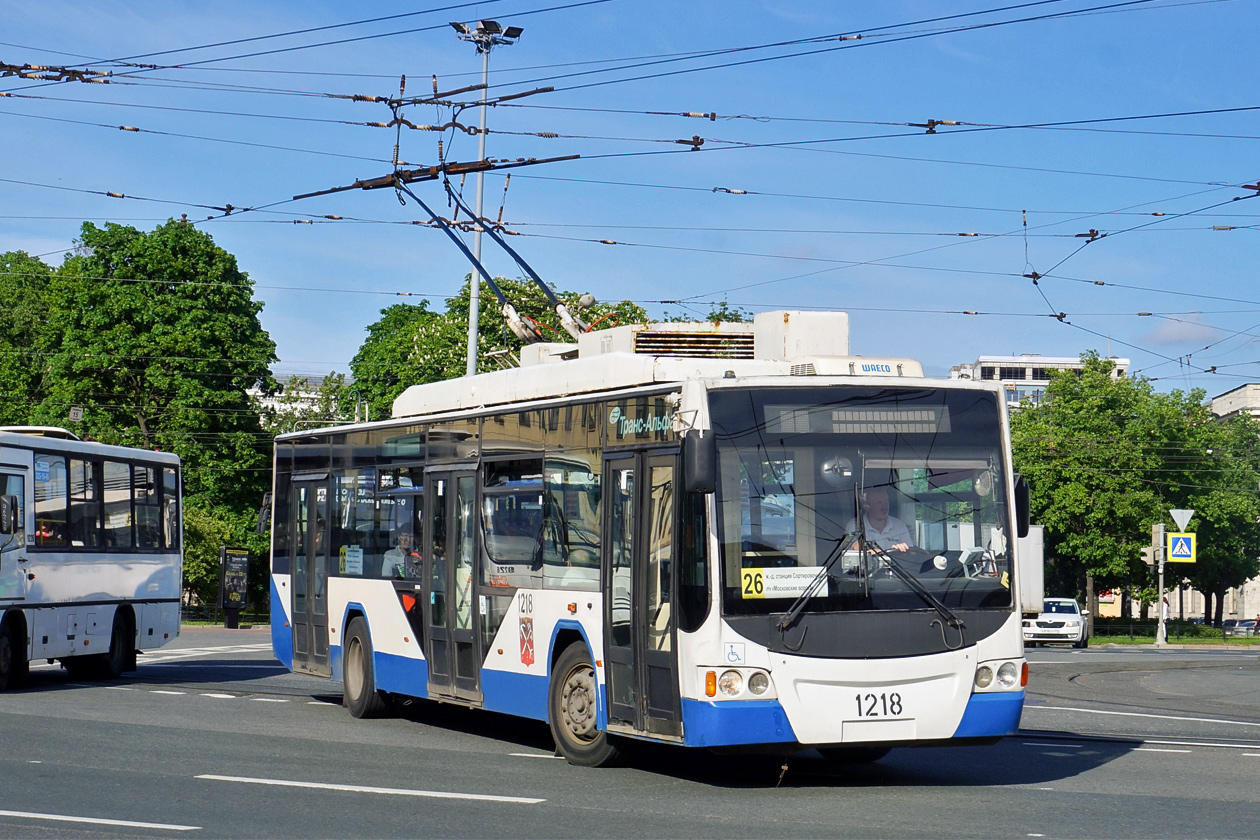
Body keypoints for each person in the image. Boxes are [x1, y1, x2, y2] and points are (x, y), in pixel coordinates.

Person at [845, 486, 915, 553]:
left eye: (886, 502)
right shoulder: (856, 525)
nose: (885, 507)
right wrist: (885, 554)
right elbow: (857, 546)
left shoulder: (899, 525)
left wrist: (901, 550)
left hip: (895, 565)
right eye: (879, 503)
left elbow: (910, 554)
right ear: (866, 506)